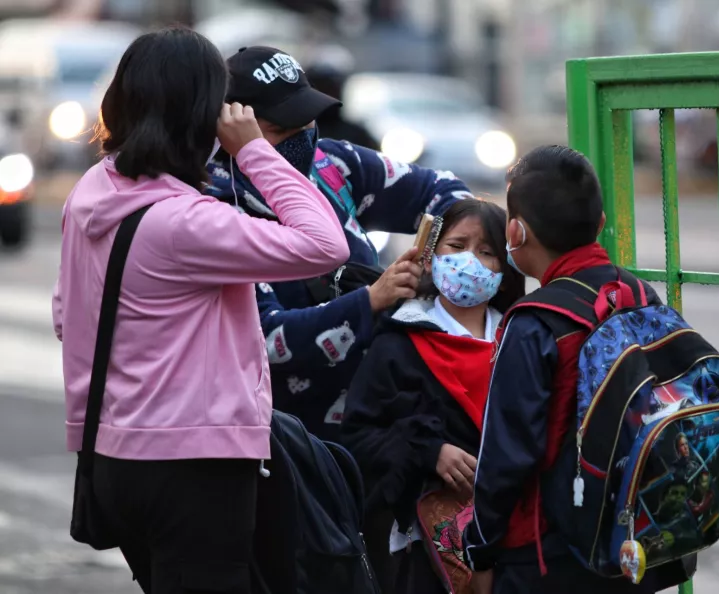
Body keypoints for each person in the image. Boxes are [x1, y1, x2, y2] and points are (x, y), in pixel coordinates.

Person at [53, 28, 348, 594]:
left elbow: (66, 315)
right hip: (194, 466)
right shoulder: (187, 222)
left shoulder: (91, 191)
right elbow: (324, 243)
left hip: (111, 457)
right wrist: (254, 150)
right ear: (202, 116)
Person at [205, 45, 473, 443]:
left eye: (307, 119)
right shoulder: (215, 205)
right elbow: (265, 339)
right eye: (282, 128)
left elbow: (445, 191)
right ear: (231, 125)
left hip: (374, 426)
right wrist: (370, 301)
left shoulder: (331, 164)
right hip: (284, 442)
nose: (302, 137)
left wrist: (438, 254)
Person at [461, 146, 665, 594]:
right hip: (633, 533)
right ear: (601, 223)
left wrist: (479, 551)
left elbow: (506, 456)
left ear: (515, 231)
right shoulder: (639, 294)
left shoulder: (533, 323)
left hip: (548, 553)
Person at [342, 198, 525, 594]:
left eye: (487, 251)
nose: (469, 261)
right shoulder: (399, 341)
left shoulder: (520, 340)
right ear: (431, 257)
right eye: (456, 246)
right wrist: (429, 452)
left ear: (505, 268)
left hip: (518, 538)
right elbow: (358, 436)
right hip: (426, 551)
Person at [305, 44, 380, 150]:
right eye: (320, 86)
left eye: (331, 88)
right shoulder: (298, 132)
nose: (326, 94)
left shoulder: (357, 135)